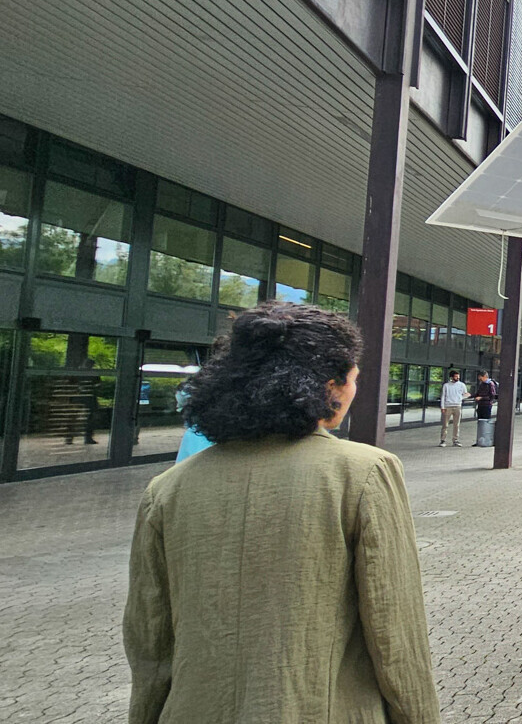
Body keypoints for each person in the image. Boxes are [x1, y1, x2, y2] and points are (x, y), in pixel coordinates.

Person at [123, 301, 441, 724]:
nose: (354, 389)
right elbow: (395, 632)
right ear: (330, 387)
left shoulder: (167, 490)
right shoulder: (365, 473)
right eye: (352, 378)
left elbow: (150, 643)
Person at [438, 369, 467, 448]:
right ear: (451, 377)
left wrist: (460, 398)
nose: (457, 378)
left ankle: (455, 440)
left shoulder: (462, 385)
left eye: (458, 376)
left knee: (456, 424)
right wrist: (442, 407)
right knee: (445, 424)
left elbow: (465, 394)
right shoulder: (446, 385)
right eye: (455, 376)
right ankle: (443, 440)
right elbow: (443, 396)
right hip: (448, 406)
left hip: (457, 406)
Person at [471, 369, 498, 448]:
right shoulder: (482, 384)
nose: (480, 379)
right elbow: (478, 393)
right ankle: (480, 439)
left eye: (480, 377)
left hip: (486, 405)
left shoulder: (490, 384)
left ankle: (487, 439)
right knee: (480, 422)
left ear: (485, 376)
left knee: (486, 422)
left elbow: (492, 396)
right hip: (481, 405)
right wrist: (471, 396)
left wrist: (481, 398)